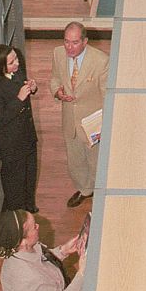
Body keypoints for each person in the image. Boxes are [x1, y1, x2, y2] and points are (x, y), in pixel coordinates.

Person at [50, 21, 108, 208]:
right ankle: (84, 189)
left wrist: (104, 125)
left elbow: (107, 95)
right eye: (66, 41)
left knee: (96, 161)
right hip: (70, 121)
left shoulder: (101, 61)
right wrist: (57, 91)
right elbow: (55, 78)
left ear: (85, 42)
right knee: (75, 161)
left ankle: (100, 193)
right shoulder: (58, 54)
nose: (69, 47)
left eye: (74, 43)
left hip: (93, 124)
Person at [0, 44, 39, 213]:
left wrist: (32, 88)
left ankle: (29, 207)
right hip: (11, 145)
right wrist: (20, 98)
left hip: (27, 137)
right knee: (15, 183)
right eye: (11, 62)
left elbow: (24, 91)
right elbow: (0, 119)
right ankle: (18, 215)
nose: (17, 63)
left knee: (29, 176)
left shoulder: (17, 73)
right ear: (0, 66)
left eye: (16, 58)